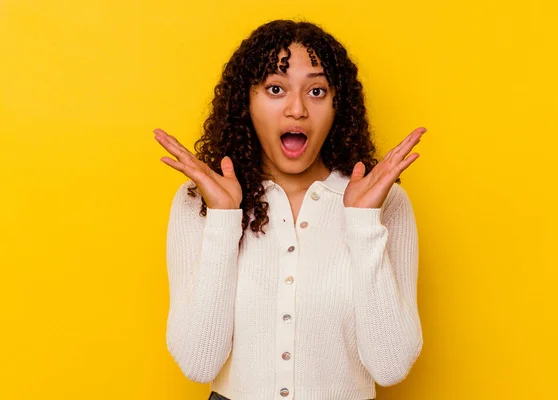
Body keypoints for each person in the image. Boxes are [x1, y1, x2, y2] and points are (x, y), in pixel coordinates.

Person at [154, 19, 426, 400]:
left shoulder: (383, 201)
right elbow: (199, 363)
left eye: (316, 91)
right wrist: (223, 220)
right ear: (245, 103)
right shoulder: (198, 201)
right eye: (275, 89)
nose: (297, 109)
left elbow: (391, 365)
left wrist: (364, 224)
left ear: (338, 105)